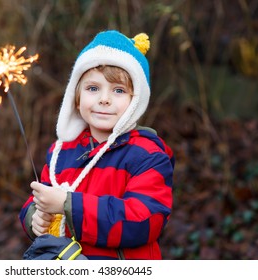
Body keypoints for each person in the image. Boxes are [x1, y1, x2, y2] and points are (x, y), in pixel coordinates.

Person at [19, 30, 175, 260]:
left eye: (119, 90)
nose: (104, 99)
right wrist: (34, 217)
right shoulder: (61, 152)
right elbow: (39, 197)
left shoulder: (147, 155)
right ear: (77, 96)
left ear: (137, 101)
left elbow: (144, 220)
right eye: (93, 88)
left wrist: (68, 205)